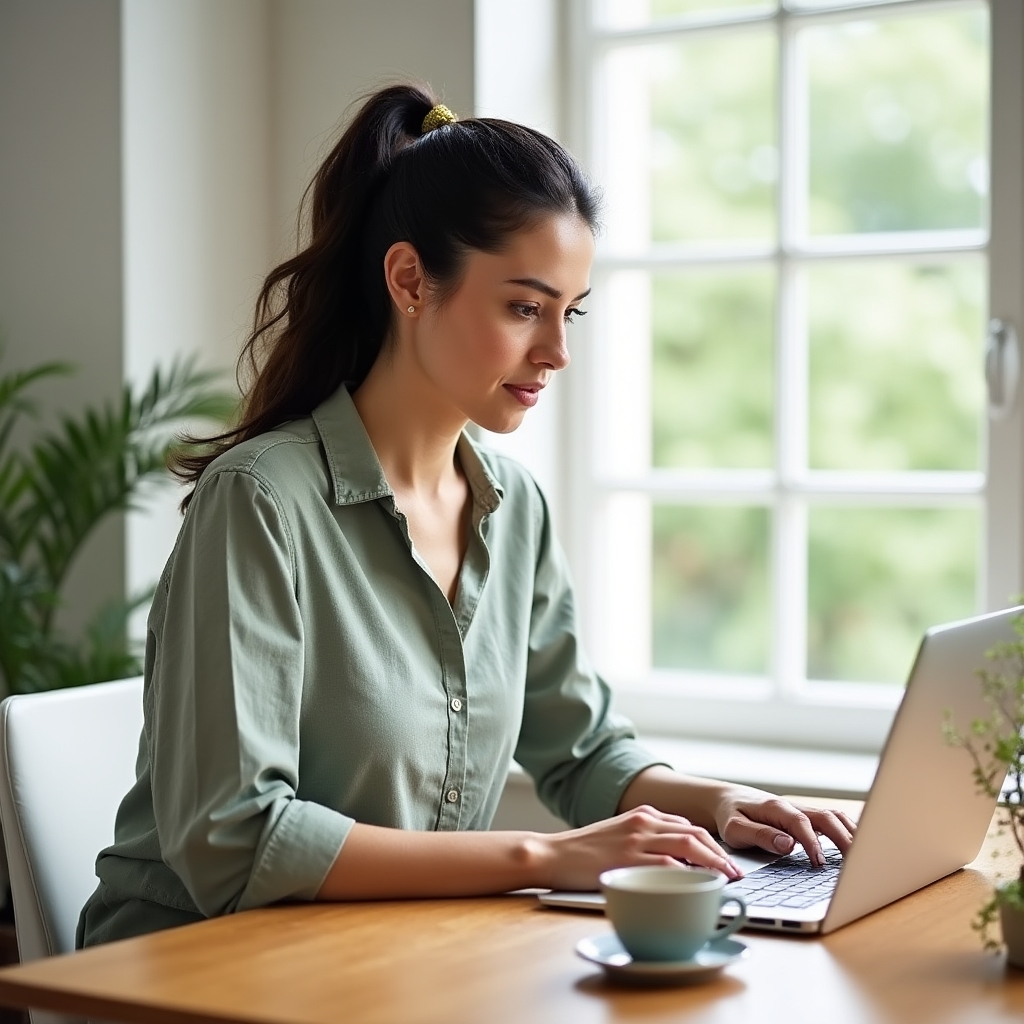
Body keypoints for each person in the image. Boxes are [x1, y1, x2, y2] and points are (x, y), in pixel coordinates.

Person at [77, 84, 855, 948]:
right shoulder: (259, 500)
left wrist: (724, 804)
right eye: (525, 307)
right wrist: (544, 857)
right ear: (410, 280)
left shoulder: (512, 508)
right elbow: (235, 838)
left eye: (570, 313)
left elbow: (583, 750)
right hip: (186, 970)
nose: (557, 351)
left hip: (393, 957)